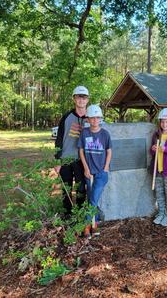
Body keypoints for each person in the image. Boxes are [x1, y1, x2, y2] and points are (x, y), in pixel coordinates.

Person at [54, 86, 89, 215]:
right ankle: (67, 214)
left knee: (81, 188)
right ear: (74, 98)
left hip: (82, 160)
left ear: (87, 100)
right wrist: (58, 160)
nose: (81, 100)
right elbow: (58, 139)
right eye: (79, 97)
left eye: (84, 97)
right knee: (66, 188)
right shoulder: (66, 117)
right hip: (66, 158)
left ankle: (79, 214)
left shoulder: (91, 118)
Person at [78, 105, 112, 237]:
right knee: (92, 199)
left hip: (101, 174)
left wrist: (105, 168)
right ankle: (95, 223)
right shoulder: (85, 133)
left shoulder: (105, 134)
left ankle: (86, 225)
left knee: (93, 199)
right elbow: (81, 151)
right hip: (89, 173)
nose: (94, 120)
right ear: (88, 119)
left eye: (97, 118)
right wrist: (86, 169)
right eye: (92, 118)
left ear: (100, 119)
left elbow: (109, 151)